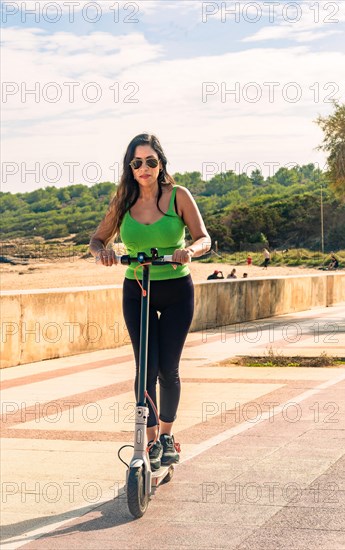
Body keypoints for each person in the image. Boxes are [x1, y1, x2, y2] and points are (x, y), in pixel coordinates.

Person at [89, 133, 211, 470]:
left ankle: (168, 436)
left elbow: (204, 238)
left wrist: (190, 250)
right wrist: (105, 253)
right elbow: (96, 240)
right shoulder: (122, 202)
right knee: (145, 368)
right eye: (137, 162)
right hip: (137, 289)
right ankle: (151, 440)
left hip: (176, 290)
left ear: (161, 164)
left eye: (151, 161)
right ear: (130, 167)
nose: (144, 168)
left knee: (167, 368)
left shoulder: (178, 196)